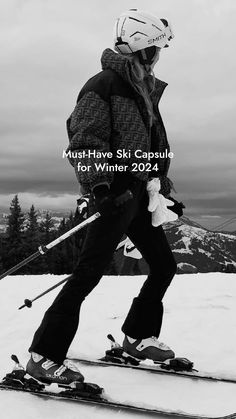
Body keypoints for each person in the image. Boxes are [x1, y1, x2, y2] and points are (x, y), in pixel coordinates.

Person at [26, 9, 182, 386]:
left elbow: (151, 145)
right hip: (114, 193)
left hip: (140, 192)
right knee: (87, 275)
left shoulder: (143, 88)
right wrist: (100, 187)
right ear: (143, 50)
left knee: (163, 265)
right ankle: (43, 356)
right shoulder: (104, 84)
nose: (159, 56)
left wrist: (164, 188)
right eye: (156, 49)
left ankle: (136, 337)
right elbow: (83, 141)